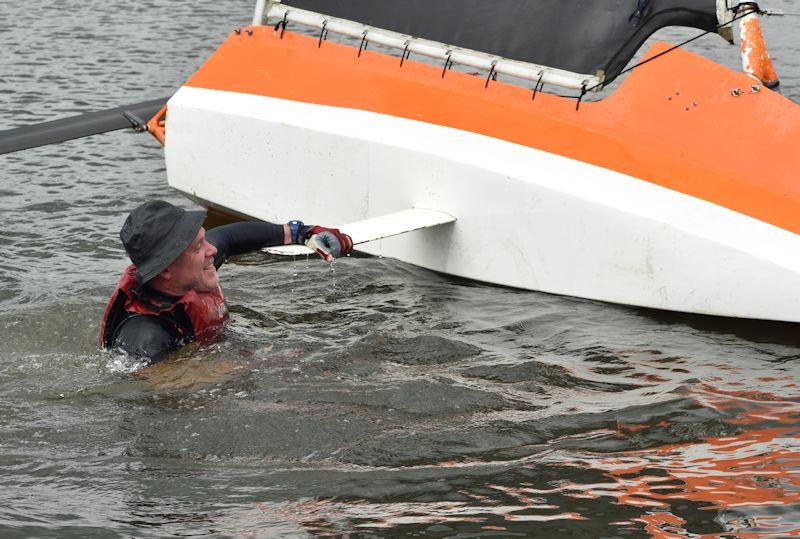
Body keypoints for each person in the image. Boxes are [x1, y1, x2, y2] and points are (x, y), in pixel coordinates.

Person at [100, 200, 352, 364]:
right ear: (166, 269)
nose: (212, 250)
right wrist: (259, 363)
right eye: (199, 246)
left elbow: (228, 238)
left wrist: (303, 233)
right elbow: (159, 389)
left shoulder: (186, 271)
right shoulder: (146, 338)